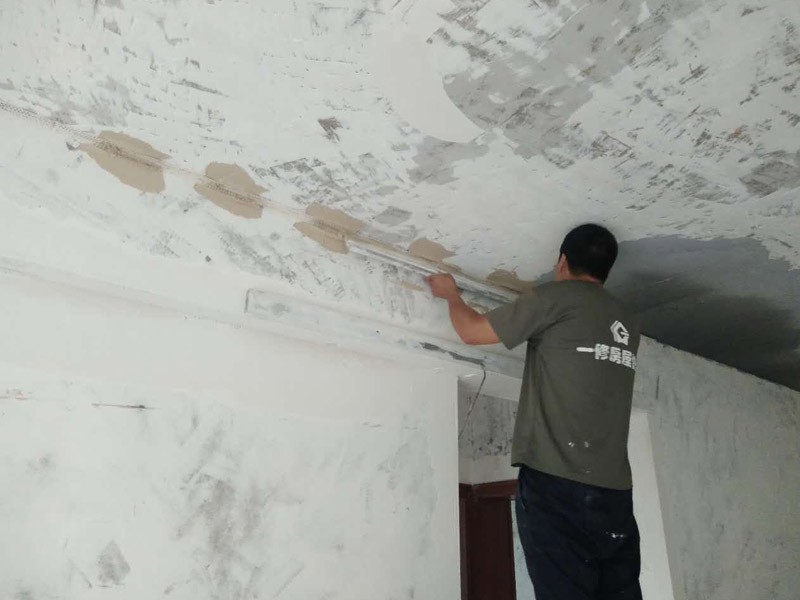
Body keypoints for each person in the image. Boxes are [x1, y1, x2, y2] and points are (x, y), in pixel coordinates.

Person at [426, 224, 642, 600]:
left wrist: (451, 295)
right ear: (607, 269)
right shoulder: (627, 320)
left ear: (562, 261)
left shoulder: (557, 297)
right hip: (615, 493)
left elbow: (472, 332)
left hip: (557, 482)